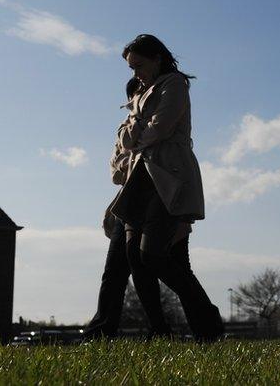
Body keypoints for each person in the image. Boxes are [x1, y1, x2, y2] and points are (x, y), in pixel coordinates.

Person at [109, 34, 224, 341]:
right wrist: (135, 134)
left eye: (139, 65)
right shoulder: (138, 93)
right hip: (139, 180)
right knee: (135, 255)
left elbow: (161, 127)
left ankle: (207, 316)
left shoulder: (174, 85)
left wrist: (134, 135)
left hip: (167, 177)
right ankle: (160, 330)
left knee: (154, 255)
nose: (135, 73)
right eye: (131, 68)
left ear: (157, 58)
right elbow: (124, 140)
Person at [82, 78, 170, 339]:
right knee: (114, 272)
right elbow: (117, 171)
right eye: (135, 96)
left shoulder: (156, 124)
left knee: (149, 267)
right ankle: (100, 331)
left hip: (153, 198)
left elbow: (148, 152)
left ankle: (161, 328)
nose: (138, 101)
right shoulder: (125, 128)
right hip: (129, 201)